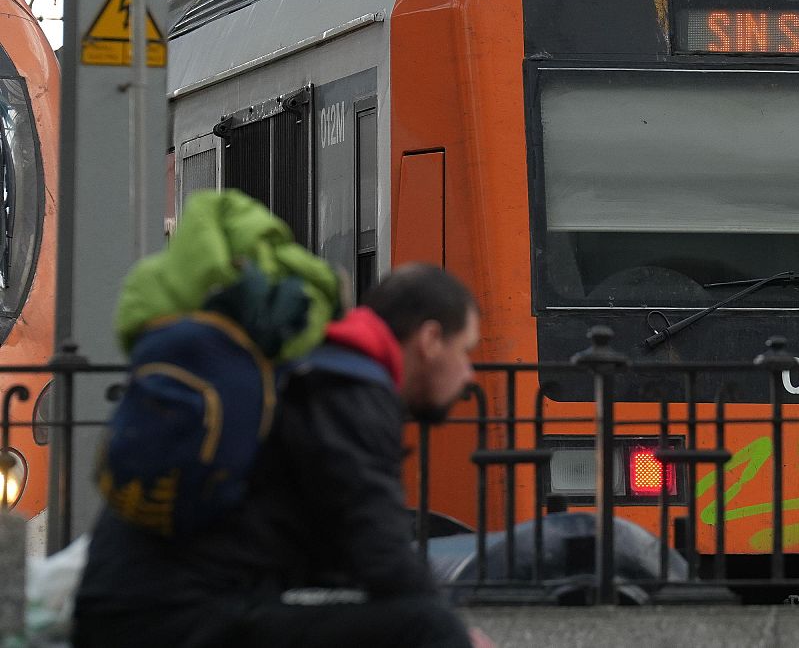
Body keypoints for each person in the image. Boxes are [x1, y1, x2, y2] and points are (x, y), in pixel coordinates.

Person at [74, 263, 492, 648]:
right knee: (427, 628)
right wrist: (457, 633)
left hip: (129, 611)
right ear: (431, 340)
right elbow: (380, 551)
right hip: (175, 623)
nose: (469, 373)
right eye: (466, 350)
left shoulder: (314, 369)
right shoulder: (349, 392)